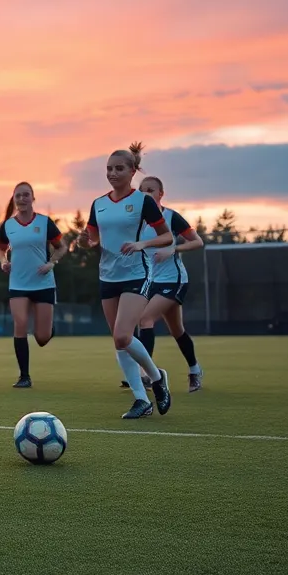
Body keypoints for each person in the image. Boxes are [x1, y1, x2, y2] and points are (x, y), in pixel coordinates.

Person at [76, 144, 175, 419]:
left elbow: (167, 237)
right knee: (120, 342)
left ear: (132, 171)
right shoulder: (99, 204)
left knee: (122, 335)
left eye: (119, 168)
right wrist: (86, 241)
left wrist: (142, 243)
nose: (113, 173)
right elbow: (94, 238)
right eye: (109, 168)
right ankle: (142, 400)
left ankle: (156, 378)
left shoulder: (143, 201)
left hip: (136, 275)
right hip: (107, 277)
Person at [0, 182, 67, 388]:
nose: (22, 199)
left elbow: (62, 247)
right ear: (14, 199)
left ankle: (47, 328)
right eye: (18, 196)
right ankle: (24, 376)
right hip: (18, 283)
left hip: (43, 283)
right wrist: (4, 262)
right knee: (20, 325)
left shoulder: (45, 223)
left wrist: (51, 263)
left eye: (26, 195)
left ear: (33, 198)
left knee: (42, 338)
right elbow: (1, 250)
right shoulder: (8, 225)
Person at [138, 176, 205, 392]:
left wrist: (173, 249)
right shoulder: (137, 221)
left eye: (151, 190)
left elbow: (197, 241)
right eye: (142, 190)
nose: (146, 194)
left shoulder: (171, 217)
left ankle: (146, 374)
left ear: (160, 194)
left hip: (173, 280)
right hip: (150, 282)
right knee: (177, 330)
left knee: (145, 318)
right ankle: (195, 369)